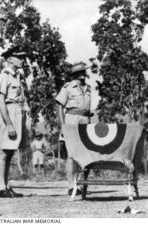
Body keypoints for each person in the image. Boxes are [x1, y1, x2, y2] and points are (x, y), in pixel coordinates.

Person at [0, 45, 28, 198]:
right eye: (19, 57)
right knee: (3, 151)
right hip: (7, 113)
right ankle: (1, 188)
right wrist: (8, 124)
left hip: (17, 113)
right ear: (9, 59)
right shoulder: (4, 76)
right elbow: (1, 102)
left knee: (9, 151)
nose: (22, 59)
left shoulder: (17, 76)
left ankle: (6, 185)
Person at [55, 62, 91, 196]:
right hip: (71, 120)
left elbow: (87, 110)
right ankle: (71, 186)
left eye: (83, 72)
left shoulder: (88, 88)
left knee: (82, 155)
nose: (82, 75)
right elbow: (59, 106)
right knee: (71, 155)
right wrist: (63, 126)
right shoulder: (68, 87)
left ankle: (79, 184)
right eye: (79, 73)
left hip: (85, 121)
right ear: (74, 75)